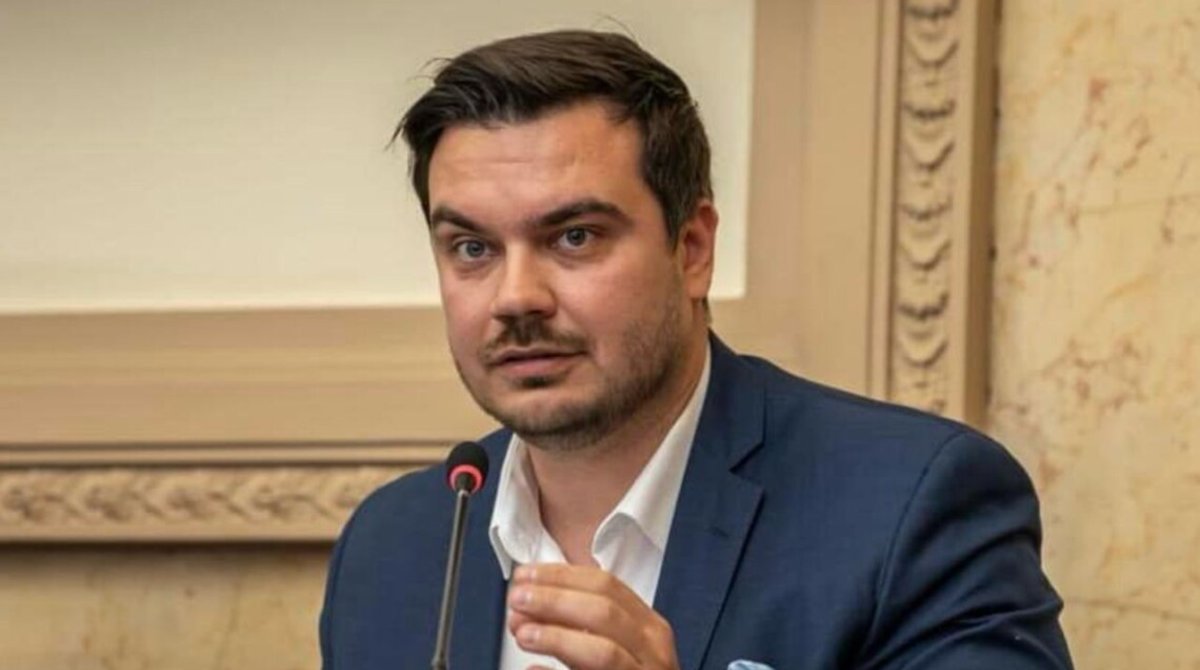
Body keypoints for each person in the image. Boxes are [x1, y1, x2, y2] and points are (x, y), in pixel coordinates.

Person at [319, 30, 1073, 670]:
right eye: (472, 248)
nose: (516, 297)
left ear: (692, 249)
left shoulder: (909, 506)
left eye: (574, 237)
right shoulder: (394, 545)